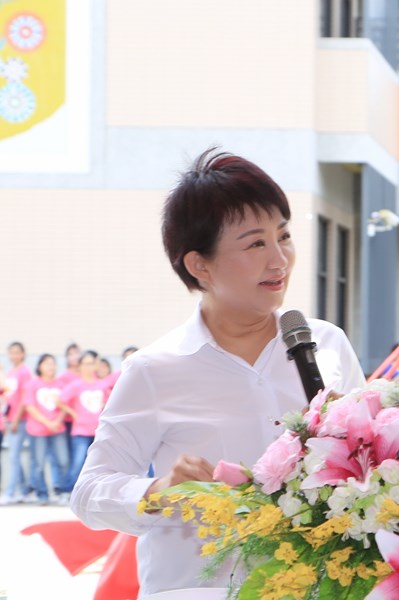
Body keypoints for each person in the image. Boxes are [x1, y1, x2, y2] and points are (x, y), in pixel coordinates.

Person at [71, 148, 366, 597]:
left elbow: (371, 460)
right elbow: (89, 493)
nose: (280, 260)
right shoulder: (154, 369)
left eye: (283, 236)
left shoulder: (326, 343)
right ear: (199, 265)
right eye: (255, 244)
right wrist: (161, 490)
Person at [23, 353, 69, 505]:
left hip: (58, 428)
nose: (50, 366)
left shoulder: (61, 385)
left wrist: (57, 421)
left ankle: (61, 491)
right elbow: (30, 407)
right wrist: (47, 423)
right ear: (39, 366)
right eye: (47, 363)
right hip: (38, 430)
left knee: (63, 461)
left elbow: (64, 406)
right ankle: (42, 493)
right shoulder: (32, 385)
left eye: (53, 363)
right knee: (39, 463)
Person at [61, 350, 110, 492]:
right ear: (80, 366)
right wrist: (73, 413)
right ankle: (68, 490)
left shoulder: (102, 385)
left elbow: (109, 402)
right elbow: (61, 399)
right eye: (86, 364)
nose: (88, 367)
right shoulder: (76, 385)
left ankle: (92, 490)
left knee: (97, 463)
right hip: (80, 431)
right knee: (77, 462)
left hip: (98, 431)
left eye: (91, 363)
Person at [0, 341, 34, 504]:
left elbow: (24, 398)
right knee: (14, 457)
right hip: (10, 419)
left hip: (19, 420)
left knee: (13, 456)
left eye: (16, 352)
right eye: (11, 352)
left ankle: (10, 492)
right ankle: (24, 490)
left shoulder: (24, 372)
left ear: (22, 354)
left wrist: (16, 418)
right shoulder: (11, 372)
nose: (13, 355)